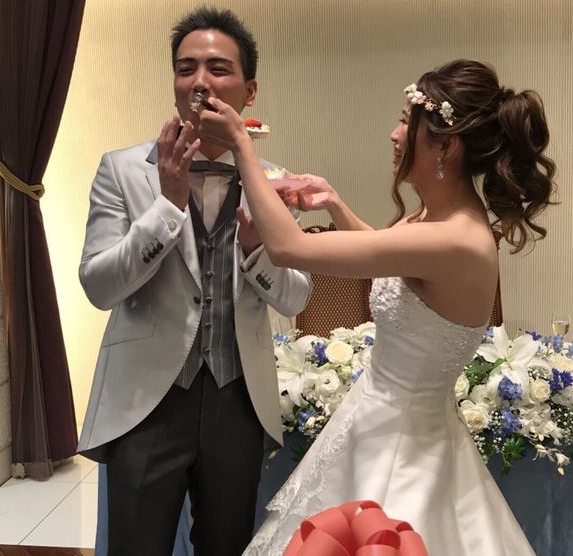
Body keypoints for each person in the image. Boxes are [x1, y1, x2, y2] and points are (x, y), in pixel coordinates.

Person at [192, 59, 555, 555]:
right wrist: (334, 203)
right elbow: (391, 263)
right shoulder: (436, 218)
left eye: (406, 122)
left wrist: (242, 146)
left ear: (446, 144)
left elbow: (288, 248)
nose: (394, 134)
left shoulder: (455, 239)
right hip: (379, 420)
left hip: (403, 448)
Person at [76, 6, 312, 556]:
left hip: (239, 399)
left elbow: (296, 296)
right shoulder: (122, 169)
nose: (200, 82)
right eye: (186, 69)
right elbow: (98, 287)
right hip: (146, 400)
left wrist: (255, 248)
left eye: (218, 68)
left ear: (249, 90)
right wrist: (166, 207)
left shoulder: (273, 182)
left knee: (228, 545)